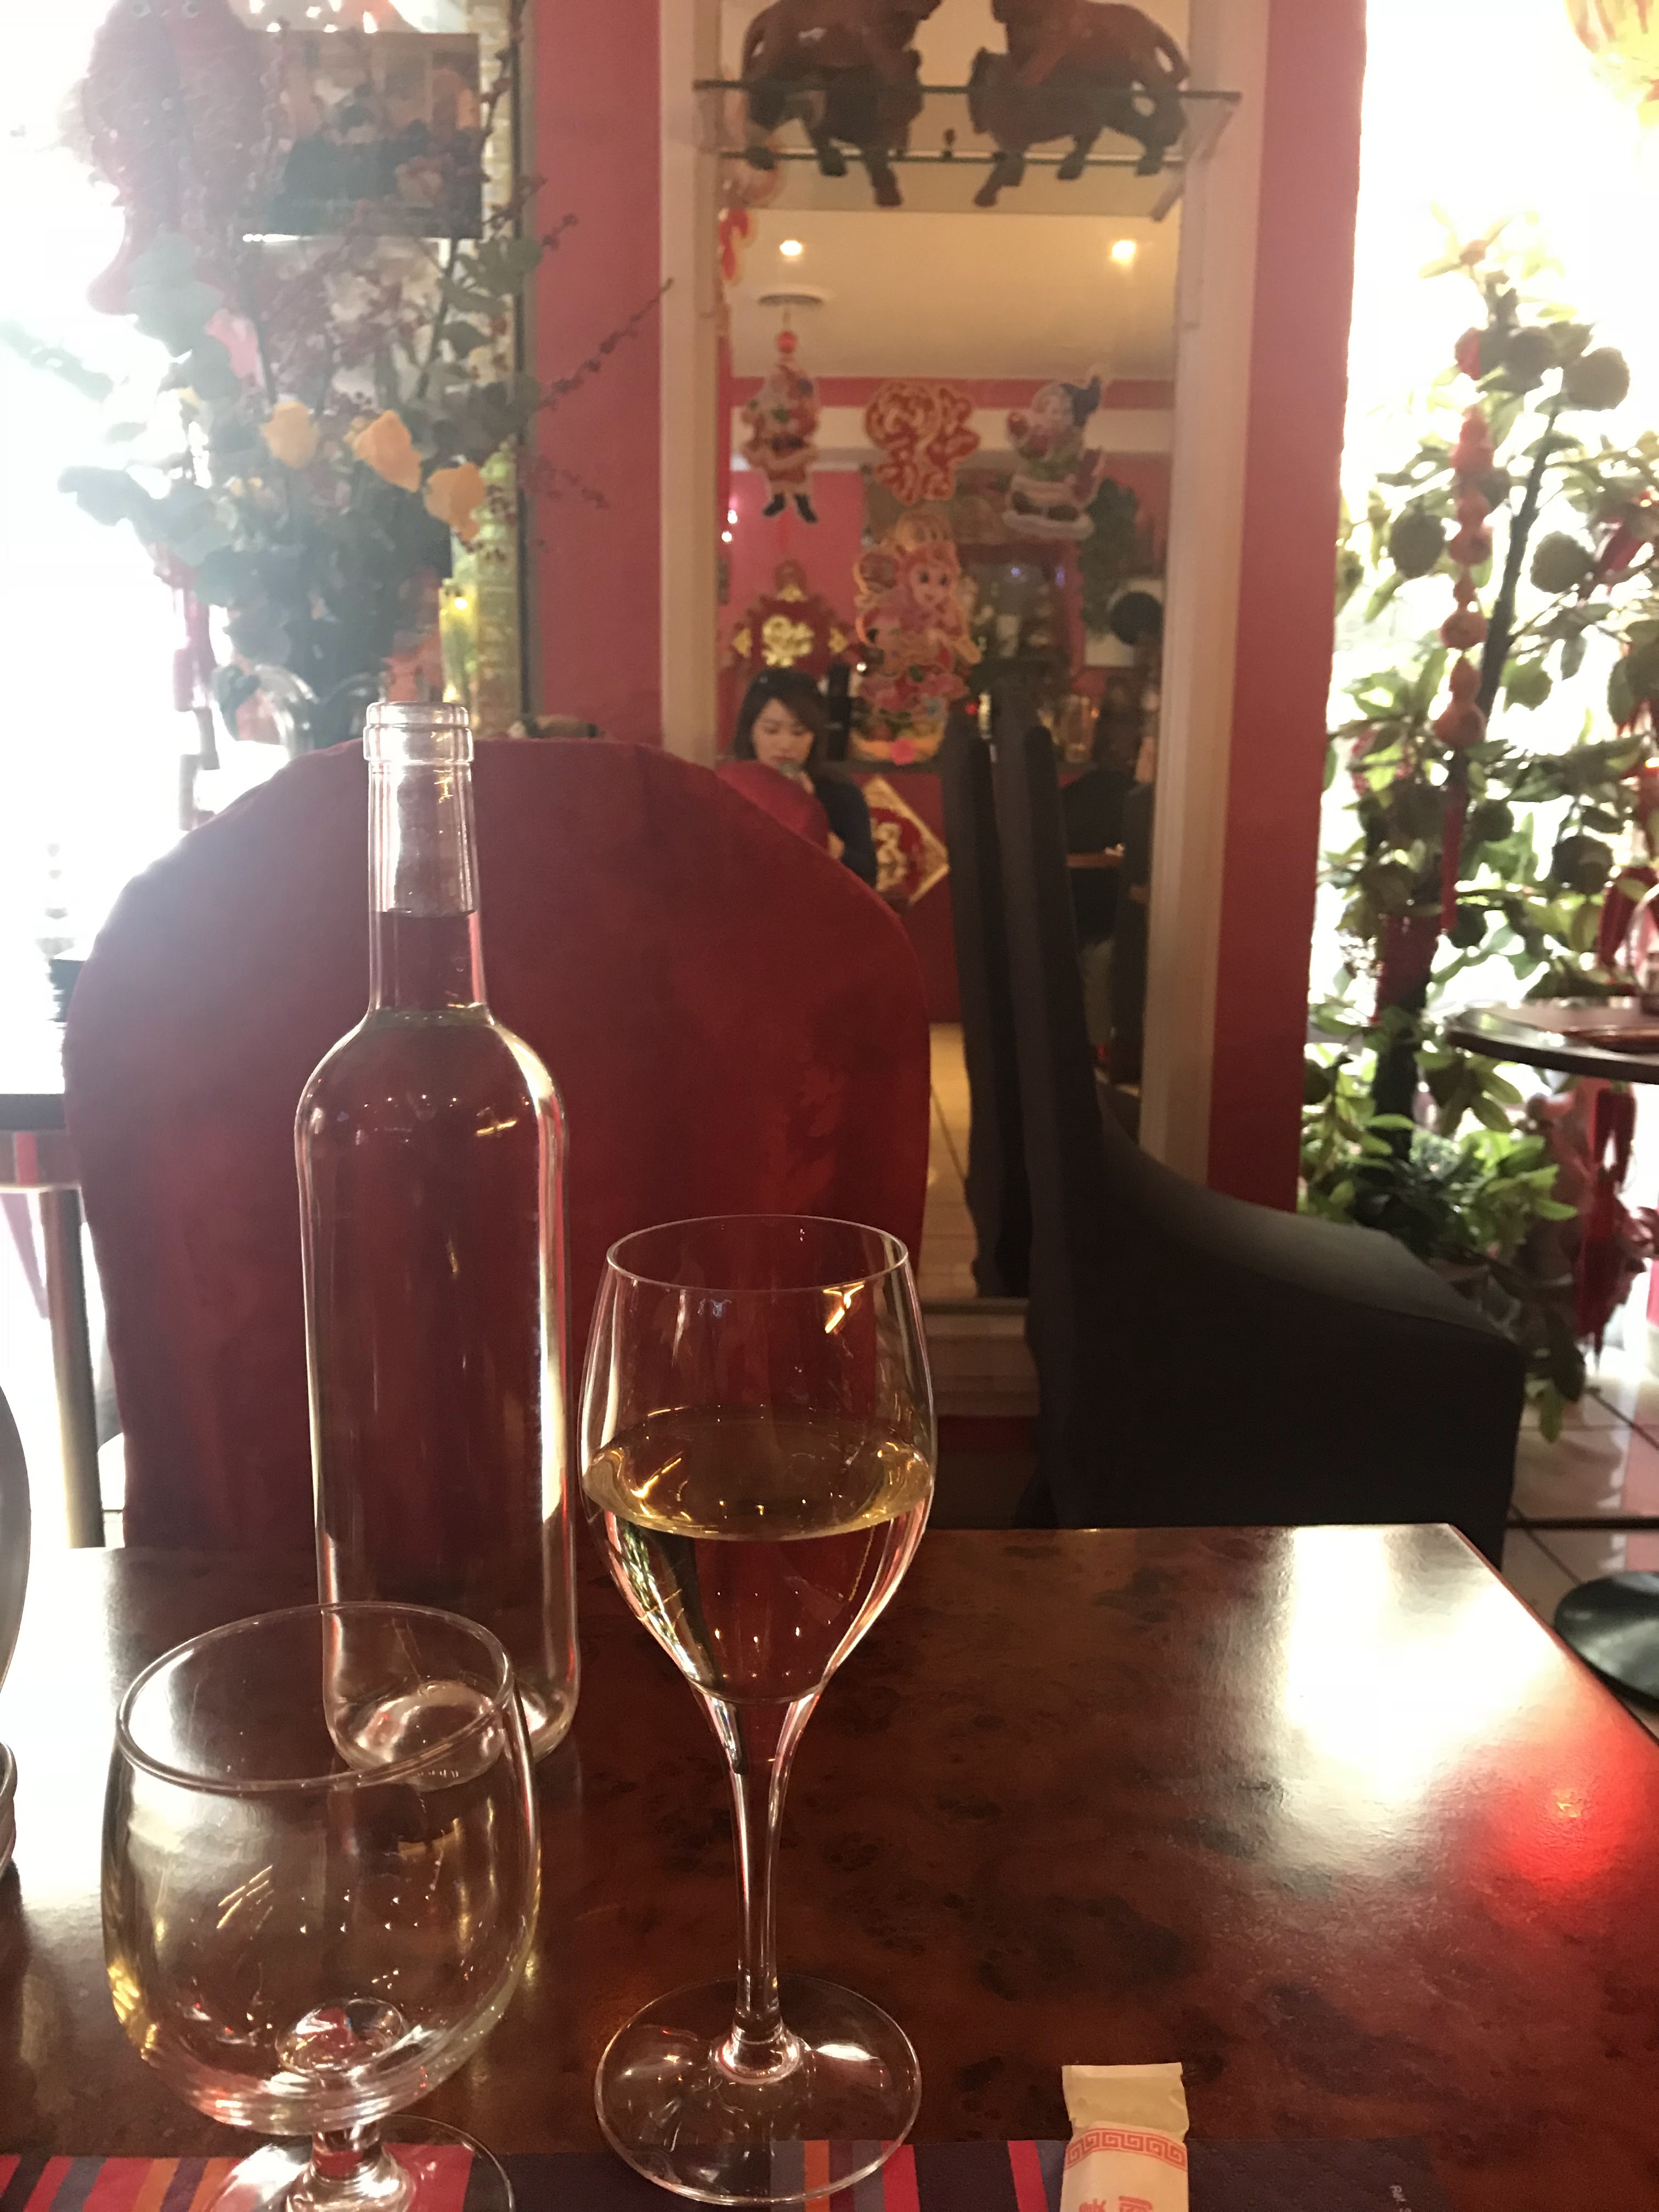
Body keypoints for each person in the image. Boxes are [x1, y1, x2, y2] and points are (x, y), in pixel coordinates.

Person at [730, 670, 878, 886]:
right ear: (751, 732)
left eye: (799, 732)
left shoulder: (840, 794)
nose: (786, 744)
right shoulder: (728, 789)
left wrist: (812, 819)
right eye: (771, 731)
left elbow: (867, 878)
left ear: (814, 736)